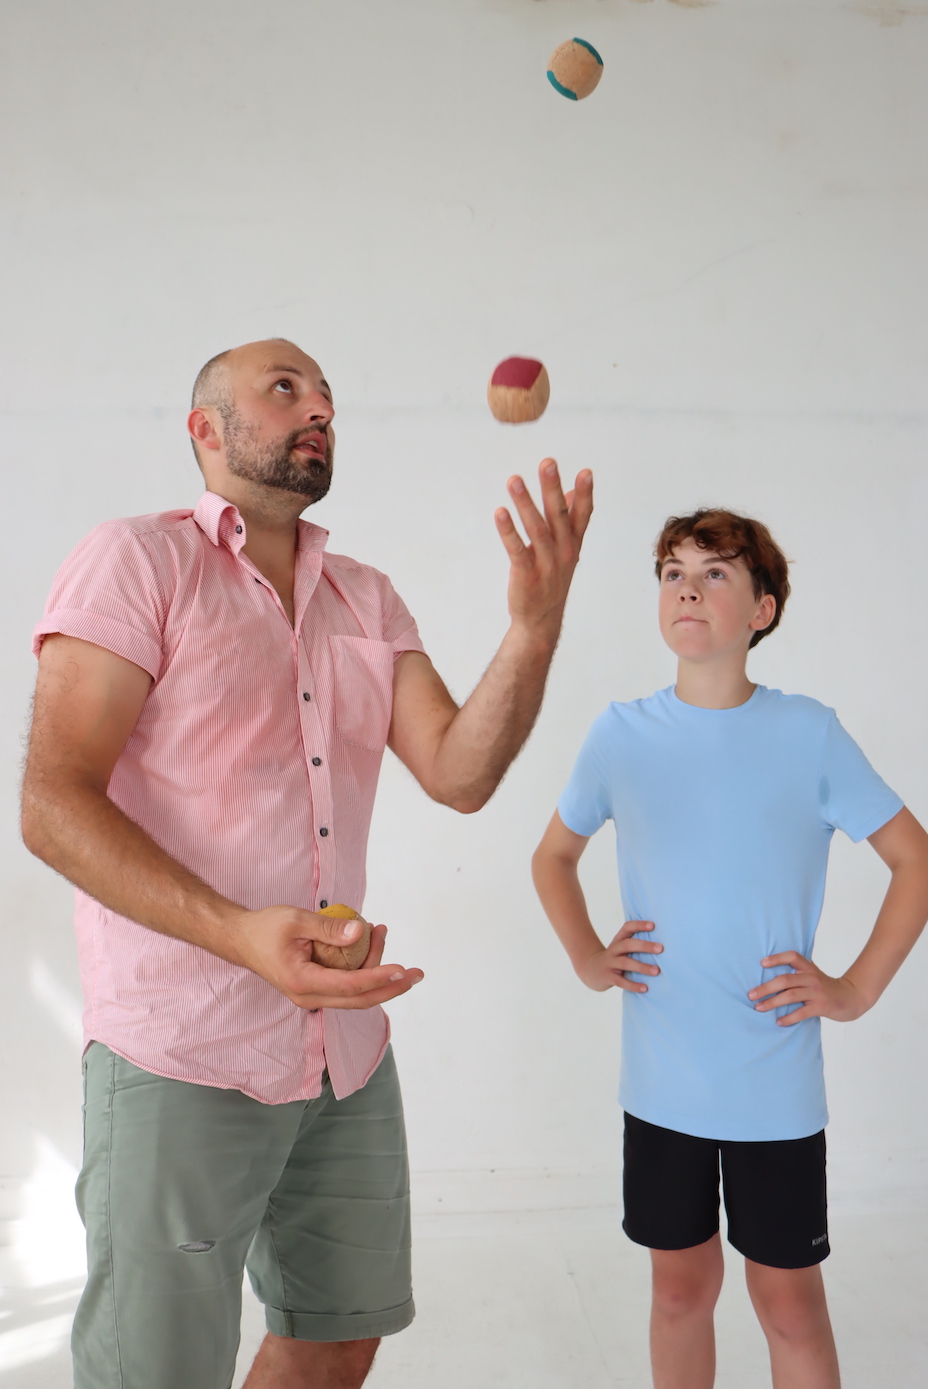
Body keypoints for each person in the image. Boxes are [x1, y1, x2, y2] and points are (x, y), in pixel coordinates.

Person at [20, 338, 593, 1389]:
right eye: (284, 388)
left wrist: (533, 629)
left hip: (342, 1051)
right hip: (179, 1049)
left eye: (326, 393)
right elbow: (53, 804)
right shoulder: (136, 560)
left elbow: (459, 773)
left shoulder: (364, 597)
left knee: (338, 1336)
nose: (317, 405)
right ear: (205, 430)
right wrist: (243, 935)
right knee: (157, 1371)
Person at [531, 507, 928, 1389]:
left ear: (763, 609)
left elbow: (915, 860)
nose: (688, 587)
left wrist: (856, 987)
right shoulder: (621, 734)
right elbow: (554, 855)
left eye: (715, 573)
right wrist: (588, 954)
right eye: (673, 571)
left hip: (773, 1082)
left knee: (788, 1301)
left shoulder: (808, 733)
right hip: (663, 1076)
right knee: (679, 1289)